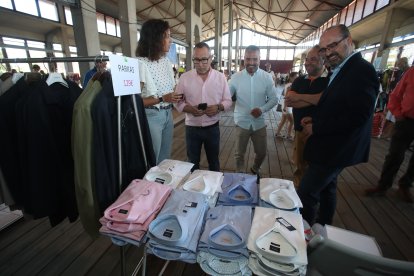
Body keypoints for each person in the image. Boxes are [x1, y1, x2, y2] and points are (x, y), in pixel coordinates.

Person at [297, 25, 378, 226]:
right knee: (327, 188)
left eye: (333, 45)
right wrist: (315, 119)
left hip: (336, 148)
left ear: (349, 41)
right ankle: (324, 226)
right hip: (332, 145)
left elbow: (358, 116)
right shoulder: (342, 69)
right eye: (324, 49)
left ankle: (304, 237)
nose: (328, 52)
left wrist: (317, 127)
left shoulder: (361, 71)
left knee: (306, 193)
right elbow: (337, 106)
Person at [174, 42, 232, 171]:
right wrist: (190, 109)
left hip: (213, 128)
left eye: (204, 60)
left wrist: (218, 107)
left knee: (214, 162)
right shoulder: (185, 78)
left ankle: (214, 189)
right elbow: (177, 102)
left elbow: (228, 101)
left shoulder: (220, 77)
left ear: (211, 58)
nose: (200, 64)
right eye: (196, 60)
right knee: (192, 163)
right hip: (192, 128)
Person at [365, 66, 414, 203]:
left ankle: (405, 185)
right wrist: (397, 114)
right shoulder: (411, 72)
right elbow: (396, 95)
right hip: (406, 120)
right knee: (395, 154)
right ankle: (383, 185)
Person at [229, 45, 278, 175]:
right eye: (248, 59)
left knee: (262, 153)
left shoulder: (267, 77)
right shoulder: (235, 77)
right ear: (243, 59)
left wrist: (262, 110)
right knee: (239, 154)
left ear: (259, 59)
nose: (251, 63)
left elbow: (274, 99)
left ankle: (255, 168)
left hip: (259, 123)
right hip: (241, 122)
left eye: (254, 59)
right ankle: (239, 174)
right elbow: (225, 96)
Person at [284, 45, 329, 187]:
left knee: (316, 168)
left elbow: (326, 102)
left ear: (323, 61)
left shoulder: (330, 80)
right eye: (307, 59)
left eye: (313, 59)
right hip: (299, 130)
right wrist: (315, 100)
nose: (308, 62)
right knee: (299, 165)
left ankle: (309, 196)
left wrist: (301, 97)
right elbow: (290, 101)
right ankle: (299, 193)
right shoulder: (299, 80)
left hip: (320, 132)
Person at [136, 19, 179, 164]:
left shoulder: (166, 62)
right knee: (152, 159)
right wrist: (162, 99)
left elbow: (170, 90)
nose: (170, 40)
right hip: (152, 116)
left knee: (165, 158)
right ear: (155, 38)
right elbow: (134, 102)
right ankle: (148, 186)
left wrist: (175, 96)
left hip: (168, 114)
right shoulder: (140, 64)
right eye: (166, 36)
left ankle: (159, 186)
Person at [275, 71, 298, 140]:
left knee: (283, 120)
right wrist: (285, 107)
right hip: (287, 106)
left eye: (297, 77)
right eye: (295, 77)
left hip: (285, 105)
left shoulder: (287, 84)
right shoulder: (291, 85)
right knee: (292, 121)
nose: (296, 79)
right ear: (291, 77)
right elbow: (287, 97)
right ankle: (289, 135)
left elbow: (283, 95)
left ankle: (278, 133)